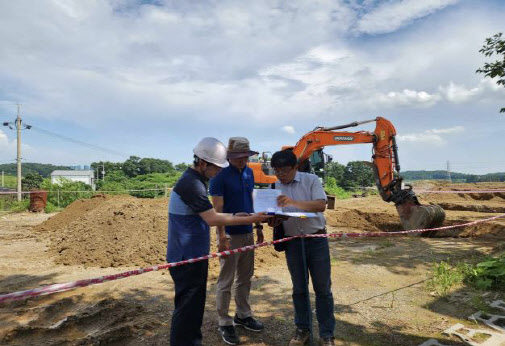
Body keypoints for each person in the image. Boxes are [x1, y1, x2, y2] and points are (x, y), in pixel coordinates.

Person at [166, 137, 270, 346]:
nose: (218, 171)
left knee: (192, 308)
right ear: (203, 163)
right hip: (187, 258)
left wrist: (247, 219)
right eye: (216, 167)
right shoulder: (192, 184)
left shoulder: (194, 181)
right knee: (188, 310)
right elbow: (213, 218)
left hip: (192, 254)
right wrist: (252, 218)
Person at [269, 149, 335, 346]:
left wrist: (293, 202)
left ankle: (326, 333)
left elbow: (320, 205)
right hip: (293, 242)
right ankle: (302, 329)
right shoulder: (273, 186)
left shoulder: (311, 180)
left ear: (296, 167)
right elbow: (274, 214)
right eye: (277, 171)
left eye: (285, 170)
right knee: (299, 288)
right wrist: (273, 220)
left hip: (316, 239)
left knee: (322, 288)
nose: (280, 175)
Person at [209, 137, 265, 345]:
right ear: (229, 156)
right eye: (237, 157)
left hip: (248, 231)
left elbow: (252, 200)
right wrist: (221, 235)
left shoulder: (249, 172)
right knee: (226, 279)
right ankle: (224, 321)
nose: (242, 160)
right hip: (229, 234)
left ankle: (243, 314)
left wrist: (258, 227)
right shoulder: (219, 175)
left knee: (245, 276)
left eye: (245, 157)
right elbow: (217, 209)